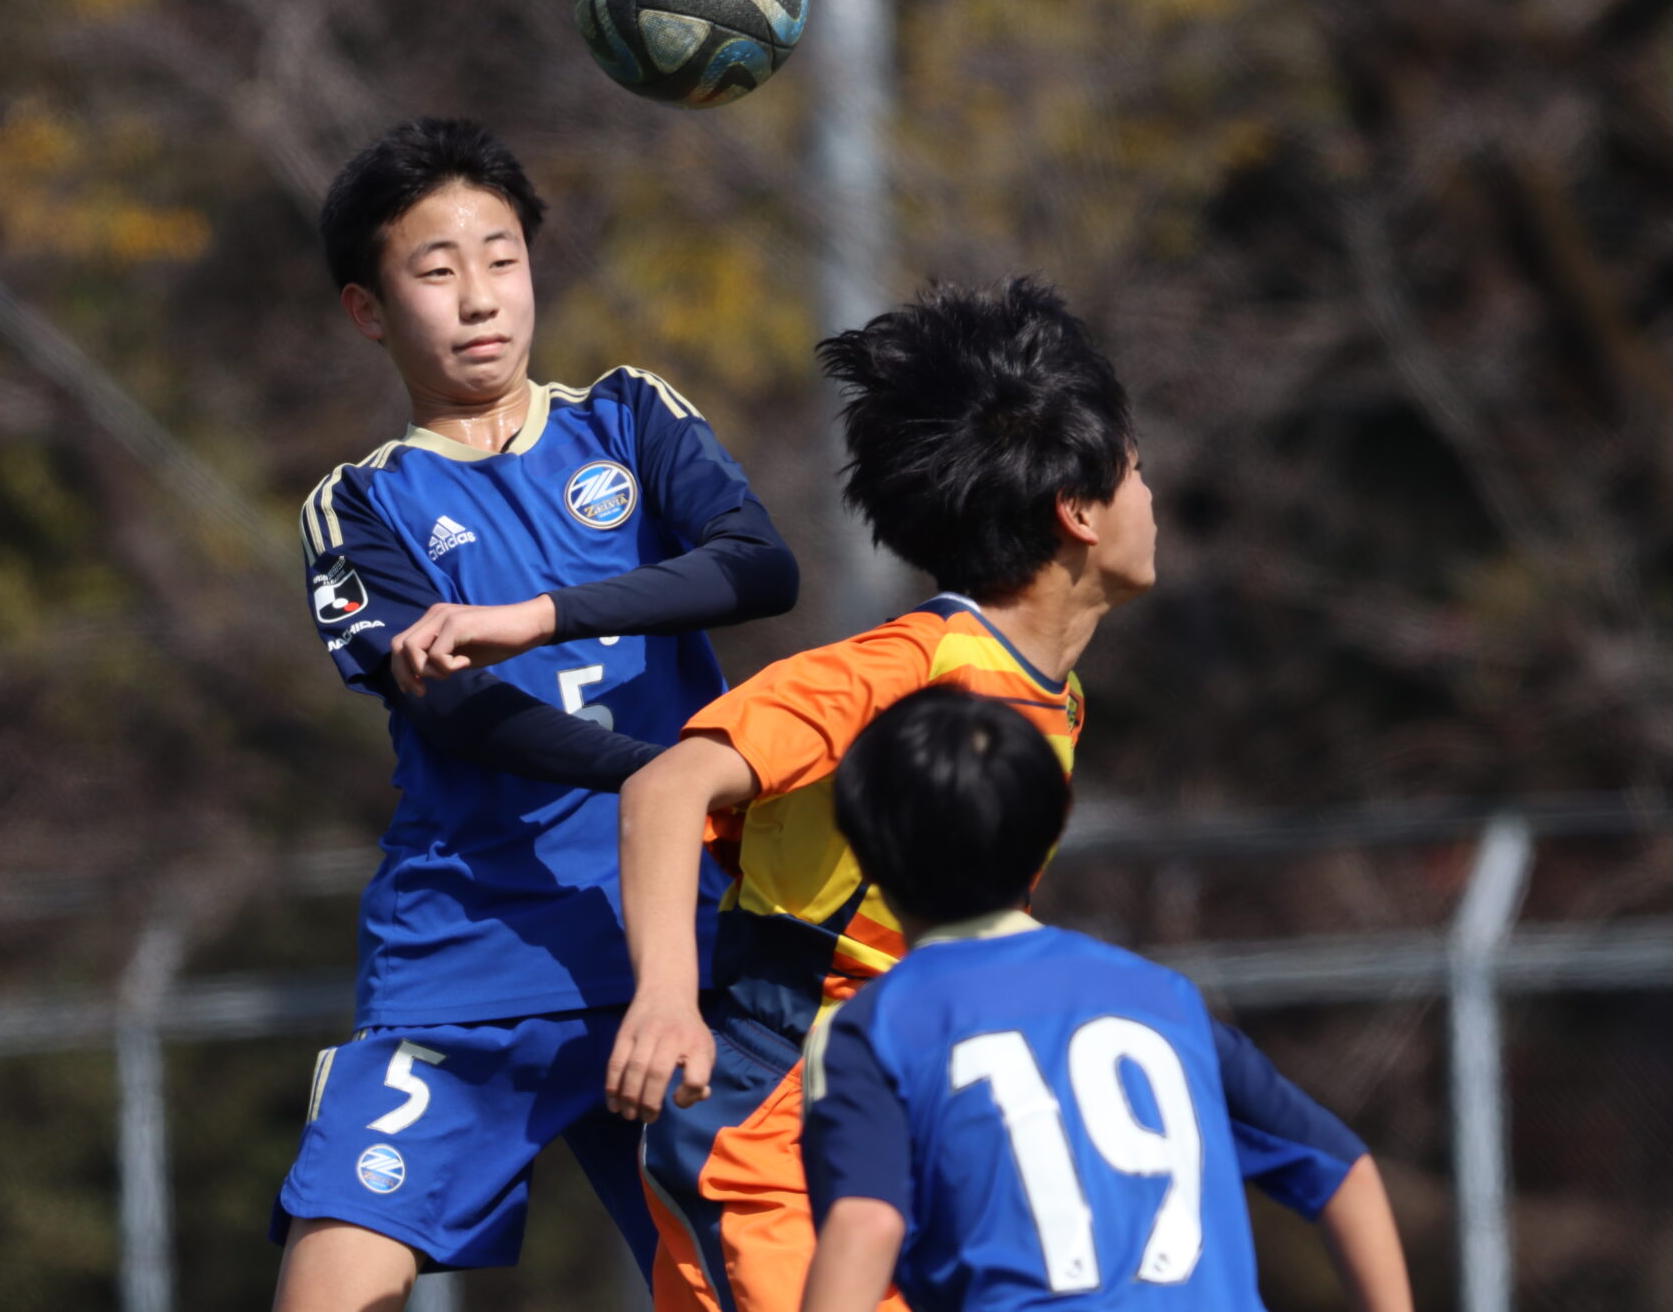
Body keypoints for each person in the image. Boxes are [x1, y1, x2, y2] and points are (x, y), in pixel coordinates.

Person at [605, 280, 1381, 1312]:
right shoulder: (903, 666)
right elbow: (667, 785)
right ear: (1077, 512)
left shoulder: (1051, 700)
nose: (1153, 501)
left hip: (916, 1105)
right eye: (1137, 473)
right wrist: (664, 1000)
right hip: (775, 1118)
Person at [270, 117, 799, 1312]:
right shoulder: (359, 508)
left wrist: (540, 617)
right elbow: (460, 715)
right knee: (331, 1286)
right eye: (435, 270)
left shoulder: (627, 417)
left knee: (772, 1289)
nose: (478, 298)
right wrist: (664, 775)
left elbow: (760, 567)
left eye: (500, 259)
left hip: (680, 952)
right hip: (471, 957)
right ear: (367, 310)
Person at [800, 687, 1414, 1312]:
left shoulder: (877, 1026)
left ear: (866, 847)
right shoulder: (1161, 997)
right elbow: (1345, 1172)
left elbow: (866, 1223)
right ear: (1048, 829)